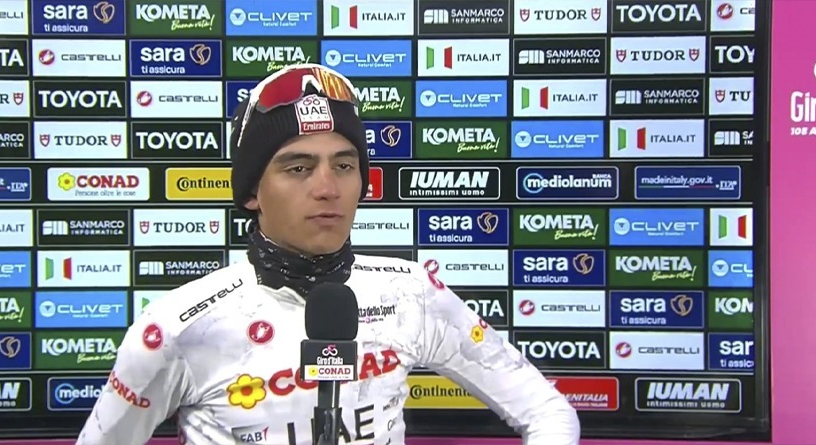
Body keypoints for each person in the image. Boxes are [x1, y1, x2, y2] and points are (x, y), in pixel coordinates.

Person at [75, 63, 580, 445]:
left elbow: (549, 413)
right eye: (297, 168)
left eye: (343, 165)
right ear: (251, 192)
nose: (327, 188)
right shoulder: (177, 328)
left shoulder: (410, 293)